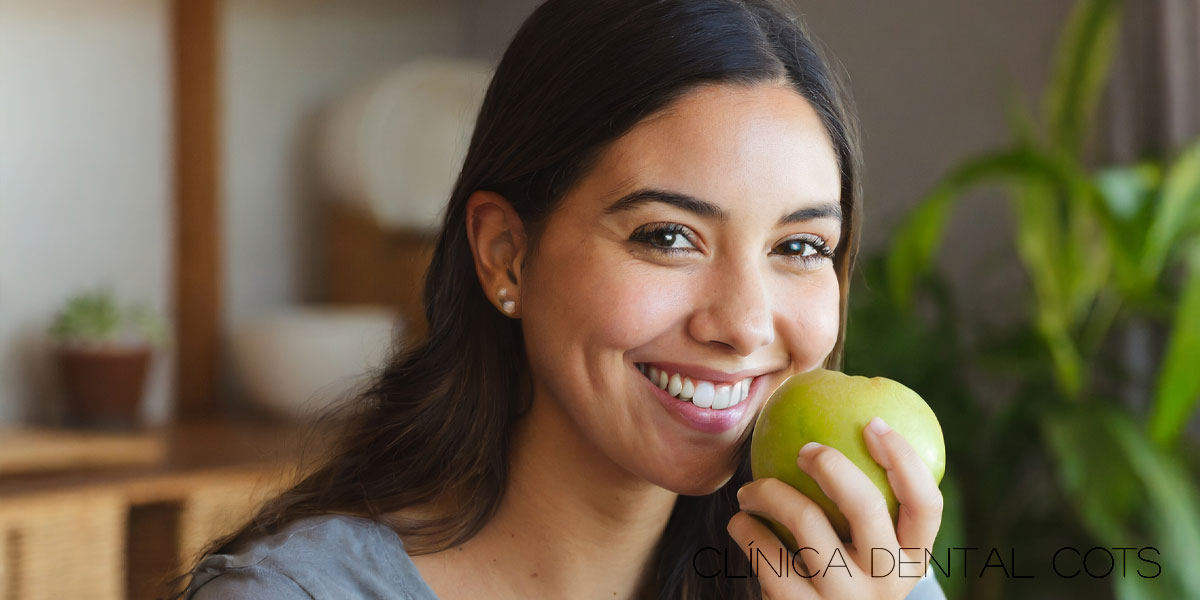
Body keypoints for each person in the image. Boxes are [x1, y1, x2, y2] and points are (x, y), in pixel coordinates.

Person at [177, 0, 946, 598]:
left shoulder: (852, 582)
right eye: (668, 237)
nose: (744, 325)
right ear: (505, 253)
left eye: (799, 247)